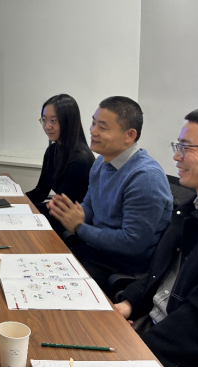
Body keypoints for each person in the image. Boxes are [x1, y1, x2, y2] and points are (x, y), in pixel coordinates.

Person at [115, 104, 198, 367]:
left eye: (186, 148)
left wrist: (133, 348)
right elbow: (160, 274)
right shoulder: (192, 207)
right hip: (152, 330)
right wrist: (128, 303)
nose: (176, 157)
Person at [48, 96, 172, 291]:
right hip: (95, 253)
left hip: (121, 268)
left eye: (102, 127)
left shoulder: (145, 177)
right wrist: (76, 213)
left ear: (129, 135)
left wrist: (79, 227)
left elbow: (132, 243)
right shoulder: (101, 162)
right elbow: (90, 205)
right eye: (93, 123)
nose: (92, 131)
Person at [26, 94, 95, 235]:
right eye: (44, 120)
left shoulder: (81, 159)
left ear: (68, 121)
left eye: (53, 121)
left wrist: (22, 211)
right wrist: (12, 202)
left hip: (68, 227)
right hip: (54, 217)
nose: (47, 126)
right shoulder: (52, 150)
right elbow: (40, 192)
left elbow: (58, 208)